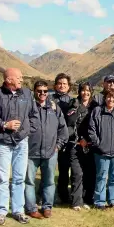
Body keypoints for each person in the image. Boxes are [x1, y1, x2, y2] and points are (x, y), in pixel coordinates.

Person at [0, 68, 40, 225]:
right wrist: (4, 125)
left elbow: (34, 116)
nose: (21, 79)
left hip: (21, 143)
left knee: (19, 178)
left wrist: (27, 131)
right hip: (3, 143)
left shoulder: (27, 94)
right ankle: (1, 211)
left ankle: (18, 211)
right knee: (2, 178)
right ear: (8, 80)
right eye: (18, 77)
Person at [25, 81, 68, 219]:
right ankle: (31, 208)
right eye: (39, 91)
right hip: (30, 152)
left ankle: (47, 207)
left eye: (45, 91)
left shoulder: (54, 108)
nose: (42, 93)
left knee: (49, 181)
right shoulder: (28, 107)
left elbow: (63, 129)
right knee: (29, 181)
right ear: (34, 91)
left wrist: (59, 145)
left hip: (50, 152)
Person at [66, 82, 98, 211]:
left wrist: (89, 139)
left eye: (88, 90)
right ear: (79, 92)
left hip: (90, 145)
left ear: (91, 92)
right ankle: (76, 201)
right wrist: (79, 139)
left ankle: (87, 199)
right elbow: (70, 124)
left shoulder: (95, 106)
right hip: (76, 144)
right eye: (83, 90)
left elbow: (97, 126)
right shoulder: (74, 104)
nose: (85, 93)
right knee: (77, 173)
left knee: (89, 174)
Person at [52, 73, 73, 205]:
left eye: (64, 84)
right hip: (51, 139)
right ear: (55, 85)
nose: (62, 86)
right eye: (59, 83)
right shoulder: (49, 99)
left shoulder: (72, 101)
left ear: (69, 86)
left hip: (66, 140)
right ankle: (45, 195)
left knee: (64, 170)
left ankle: (63, 194)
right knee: (48, 170)